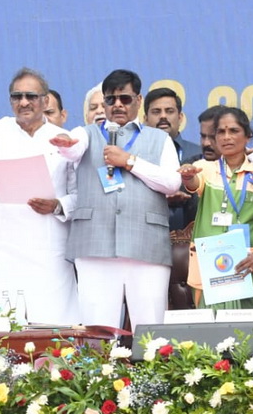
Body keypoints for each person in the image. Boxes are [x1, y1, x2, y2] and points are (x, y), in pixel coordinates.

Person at [51, 69, 180, 330]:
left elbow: (171, 183)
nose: (118, 105)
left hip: (146, 243)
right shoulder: (86, 133)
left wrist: (129, 161)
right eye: (111, 100)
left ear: (139, 100)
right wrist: (65, 143)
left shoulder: (160, 139)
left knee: (150, 331)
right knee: (97, 332)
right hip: (95, 244)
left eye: (125, 99)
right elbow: (73, 148)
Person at [0, 68, 80, 325]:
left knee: (53, 326)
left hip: (47, 247)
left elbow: (79, 195)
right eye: (17, 96)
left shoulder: (62, 140)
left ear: (45, 100)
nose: (23, 102)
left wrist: (57, 205)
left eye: (31, 96)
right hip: (0, 248)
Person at [178, 107, 253, 311]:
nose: (226, 137)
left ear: (248, 135)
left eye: (234, 131)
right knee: (210, 331)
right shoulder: (205, 168)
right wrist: (188, 177)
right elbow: (194, 183)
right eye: (221, 132)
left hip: (249, 268)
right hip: (210, 270)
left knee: (252, 330)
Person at [145, 87, 202, 231]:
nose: (163, 116)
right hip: (148, 235)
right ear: (145, 119)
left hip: (194, 236)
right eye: (156, 112)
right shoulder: (137, 157)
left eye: (169, 111)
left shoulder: (200, 154)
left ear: (180, 117)